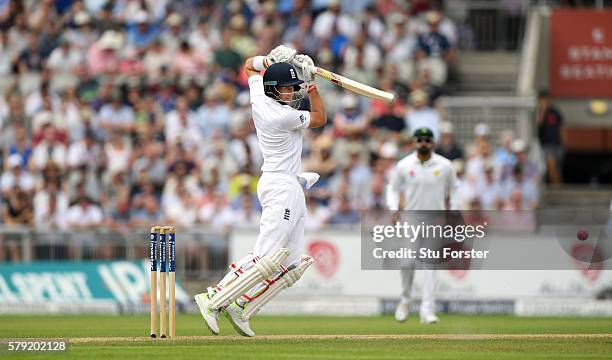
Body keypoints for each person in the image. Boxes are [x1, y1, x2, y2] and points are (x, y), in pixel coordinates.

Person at [195, 45, 327, 337]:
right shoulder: (281, 116)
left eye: (295, 89)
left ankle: (243, 307)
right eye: (288, 89)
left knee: (291, 263)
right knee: (266, 256)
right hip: (280, 184)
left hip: (289, 183)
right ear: (273, 90)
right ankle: (213, 297)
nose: (293, 94)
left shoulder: (259, 95)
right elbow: (319, 119)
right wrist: (313, 88)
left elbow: (248, 66)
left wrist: (268, 60)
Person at [386, 127, 456, 324]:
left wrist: (455, 210)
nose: (423, 143)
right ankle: (406, 300)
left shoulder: (445, 165)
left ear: (433, 143)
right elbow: (392, 189)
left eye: (427, 140)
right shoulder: (404, 165)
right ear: (414, 142)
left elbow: (455, 188)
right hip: (411, 218)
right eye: (420, 140)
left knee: (430, 266)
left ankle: (427, 310)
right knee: (407, 262)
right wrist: (393, 209)